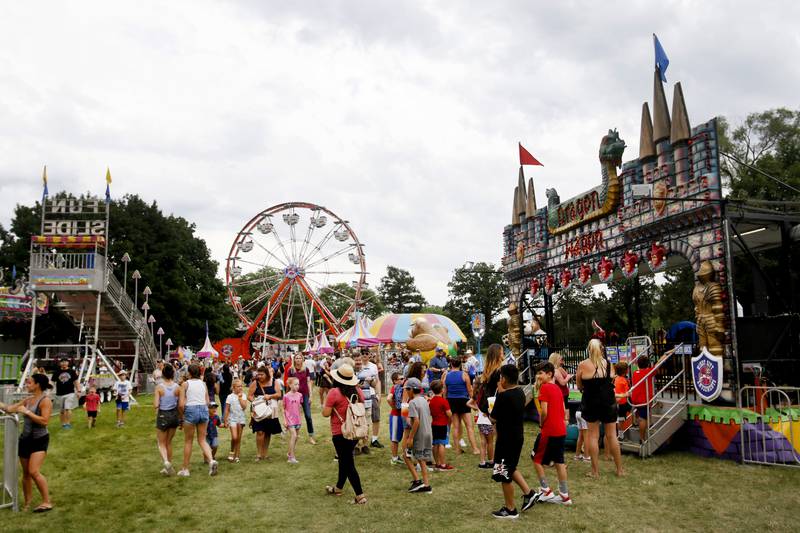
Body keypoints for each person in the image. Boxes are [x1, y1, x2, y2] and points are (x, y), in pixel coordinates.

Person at [489, 364, 537, 519]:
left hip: (505, 439)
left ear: (503, 378)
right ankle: (529, 493)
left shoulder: (503, 397)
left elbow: (492, 418)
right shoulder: (520, 392)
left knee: (504, 473)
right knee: (511, 467)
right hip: (517, 436)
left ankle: (510, 509)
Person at [0, 374, 53, 512]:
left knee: (34, 471)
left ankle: (47, 502)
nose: (26, 385)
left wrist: (27, 412)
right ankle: (28, 503)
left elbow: (45, 421)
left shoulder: (45, 400)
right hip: (25, 439)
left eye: (29, 383)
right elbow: (10, 409)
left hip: (39, 439)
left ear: (37, 385)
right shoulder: (28, 399)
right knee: (26, 474)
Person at [576, 338, 624, 478]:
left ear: (589, 350)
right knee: (612, 436)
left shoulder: (583, 364)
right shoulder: (609, 364)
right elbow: (611, 382)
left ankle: (595, 472)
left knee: (593, 436)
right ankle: (619, 470)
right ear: (601, 349)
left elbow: (579, 386)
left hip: (591, 402)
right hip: (608, 402)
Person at [322, 363, 367, 505]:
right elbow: (362, 403)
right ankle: (338, 488)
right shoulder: (357, 391)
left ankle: (360, 495)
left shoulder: (334, 392)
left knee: (348, 463)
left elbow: (325, 413)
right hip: (354, 431)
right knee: (344, 460)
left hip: (340, 432)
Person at [531, 362, 572, 505]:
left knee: (536, 459)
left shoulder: (545, 388)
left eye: (541, 373)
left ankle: (546, 490)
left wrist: (541, 423)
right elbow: (562, 407)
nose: (538, 376)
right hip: (560, 430)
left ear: (549, 374)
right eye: (537, 373)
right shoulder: (557, 388)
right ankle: (564, 495)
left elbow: (544, 412)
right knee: (559, 461)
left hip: (549, 431)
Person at [178, 363, 218, 477]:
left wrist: (182, 416)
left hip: (191, 410)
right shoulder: (203, 384)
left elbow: (181, 404)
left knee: (188, 441)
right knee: (202, 440)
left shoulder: (185, 384)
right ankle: (211, 461)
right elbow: (207, 402)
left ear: (189, 373)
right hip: (203, 410)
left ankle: (185, 469)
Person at [402, 377, 433, 493]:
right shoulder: (424, 400)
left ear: (411, 390)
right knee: (419, 458)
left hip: (418, 435)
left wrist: (410, 438)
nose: (406, 392)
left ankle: (424, 484)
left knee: (411, 457)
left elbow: (416, 421)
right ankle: (421, 482)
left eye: (406, 390)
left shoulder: (413, 403)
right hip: (427, 433)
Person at [444, 357, 480, 455]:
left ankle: (457, 450)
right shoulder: (464, 375)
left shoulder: (446, 375)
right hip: (463, 400)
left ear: (451, 364)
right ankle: (475, 449)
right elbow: (470, 390)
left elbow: (445, 392)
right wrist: (474, 402)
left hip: (451, 401)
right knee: (469, 426)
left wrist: (445, 402)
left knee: (455, 426)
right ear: (460, 365)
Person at [247, 365, 283, 461]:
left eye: (261, 374)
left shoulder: (274, 381)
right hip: (259, 411)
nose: (259, 376)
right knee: (259, 431)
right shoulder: (255, 383)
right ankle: (259, 454)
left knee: (268, 432)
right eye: (258, 374)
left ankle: (265, 453)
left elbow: (279, 394)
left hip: (271, 410)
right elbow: (249, 396)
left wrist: (270, 396)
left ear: (266, 374)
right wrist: (255, 402)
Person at [154, 363, 180, 475]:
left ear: (163, 374)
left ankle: (166, 462)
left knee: (161, 443)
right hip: (174, 415)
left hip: (163, 414)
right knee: (169, 442)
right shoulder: (177, 387)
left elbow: (156, 404)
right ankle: (168, 465)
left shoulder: (159, 387)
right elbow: (179, 403)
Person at [286, 354, 316, 445]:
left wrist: (310, 395)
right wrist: (287, 396)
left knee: (308, 416)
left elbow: (308, 382)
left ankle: (311, 436)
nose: (298, 359)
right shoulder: (291, 370)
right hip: (294, 395)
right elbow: (289, 383)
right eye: (296, 358)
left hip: (305, 394)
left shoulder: (306, 369)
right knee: (294, 415)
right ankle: (295, 435)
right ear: (294, 360)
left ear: (302, 359)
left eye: (300, 358)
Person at [358, 353, 383, 450]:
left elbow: (377, 381)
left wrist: (378, 394)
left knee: (376, 417)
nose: (364, 354)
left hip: (372, 394)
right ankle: (361, 441)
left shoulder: (373, 366)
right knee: (362, 419)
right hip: (360, 395)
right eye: (362, 352)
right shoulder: (357, 365)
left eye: (366, 352)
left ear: (369, 355)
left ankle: (374, 439)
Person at [631, 354, 658, 442]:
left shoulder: (635, 373)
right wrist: (666, 354)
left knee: (642, 415)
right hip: (643, 400)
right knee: (643, 419)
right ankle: (642, 438)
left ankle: (644, 425)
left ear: (638, 364)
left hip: (636, 399)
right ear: (647, 364)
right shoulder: (648, 372)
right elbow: (659, 364)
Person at [428, 380, 454, 471]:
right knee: (442, 443)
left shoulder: (431, 401)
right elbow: (449, 413)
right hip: (443, 424)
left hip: (434, 424)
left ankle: (437, 463)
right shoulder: (444, 401)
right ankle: (443, 464)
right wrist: (451, 419)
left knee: (435, 443)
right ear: (442, 390)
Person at [224, 378, 248, 463]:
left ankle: (237, 455)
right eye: (238, 386)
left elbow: (244, 407)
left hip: (240, 419)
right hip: (232, 419)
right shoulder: (229, 397)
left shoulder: (243, 395)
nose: (240, 388)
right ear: (233, 387)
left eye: (241, 386)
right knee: (234, 437)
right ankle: (232, 451)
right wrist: (225, 420)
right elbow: (226, 409)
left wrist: (240, 398)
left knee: (238, 438)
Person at [52, 358, 79, 429]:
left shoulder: (72, 371)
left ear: (68, 363)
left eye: (65, 362)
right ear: (60, 363)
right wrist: (48, 391)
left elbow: (76, 381)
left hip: (70, 393)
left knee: (68, 408)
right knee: (61, 411)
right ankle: (63, 424)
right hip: (59, 393)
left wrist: (78, 391)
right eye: (62, 362)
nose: (64, 363)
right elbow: (52, 382)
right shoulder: (57, 372)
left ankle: (68, 423)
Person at [284, 377, 303, 464]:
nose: (297, 386)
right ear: (290, 385)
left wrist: (300, 418)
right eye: (295, 384)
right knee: (294, 436)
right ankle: (291, 457)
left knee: (296, 438)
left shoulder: (300, 395)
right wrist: (285, 420)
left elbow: (299, 407)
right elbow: (283, 408)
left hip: (297, 419)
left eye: (298, 384)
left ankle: (289, 453)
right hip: (289, 419)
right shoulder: (286, 396)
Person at [387, 372, 405, 465]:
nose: (403, 380)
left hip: (402, 415)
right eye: (400, 379)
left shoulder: (403, 388)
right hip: (396, 415)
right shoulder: (394, 388)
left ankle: (399, 456)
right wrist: (394, 407)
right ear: (395, 381)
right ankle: (394, 458)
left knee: (402, 436)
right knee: (395, 438)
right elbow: (389, 398)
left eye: (403, 378)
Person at [549, 352, 573, 422]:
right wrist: (568, 377)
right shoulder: (555, 371)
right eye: (560, 359)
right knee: (564, 408)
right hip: (561, 393)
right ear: (556, 360)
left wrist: (562, 369)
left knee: (566, 407)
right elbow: (563, 382)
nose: (562, 361)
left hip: (564, 393)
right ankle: (565, 422)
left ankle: (565, 421)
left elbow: (566, 374)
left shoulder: (558, 369)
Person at [614, 361, 631, 441]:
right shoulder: (624, 380)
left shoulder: (616, 379)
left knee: (620, 419)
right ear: (626, 371)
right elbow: (627, 392)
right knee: (621, 420)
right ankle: (621, 435)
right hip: (623, 402)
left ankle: (621, 434)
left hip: (619, 402)